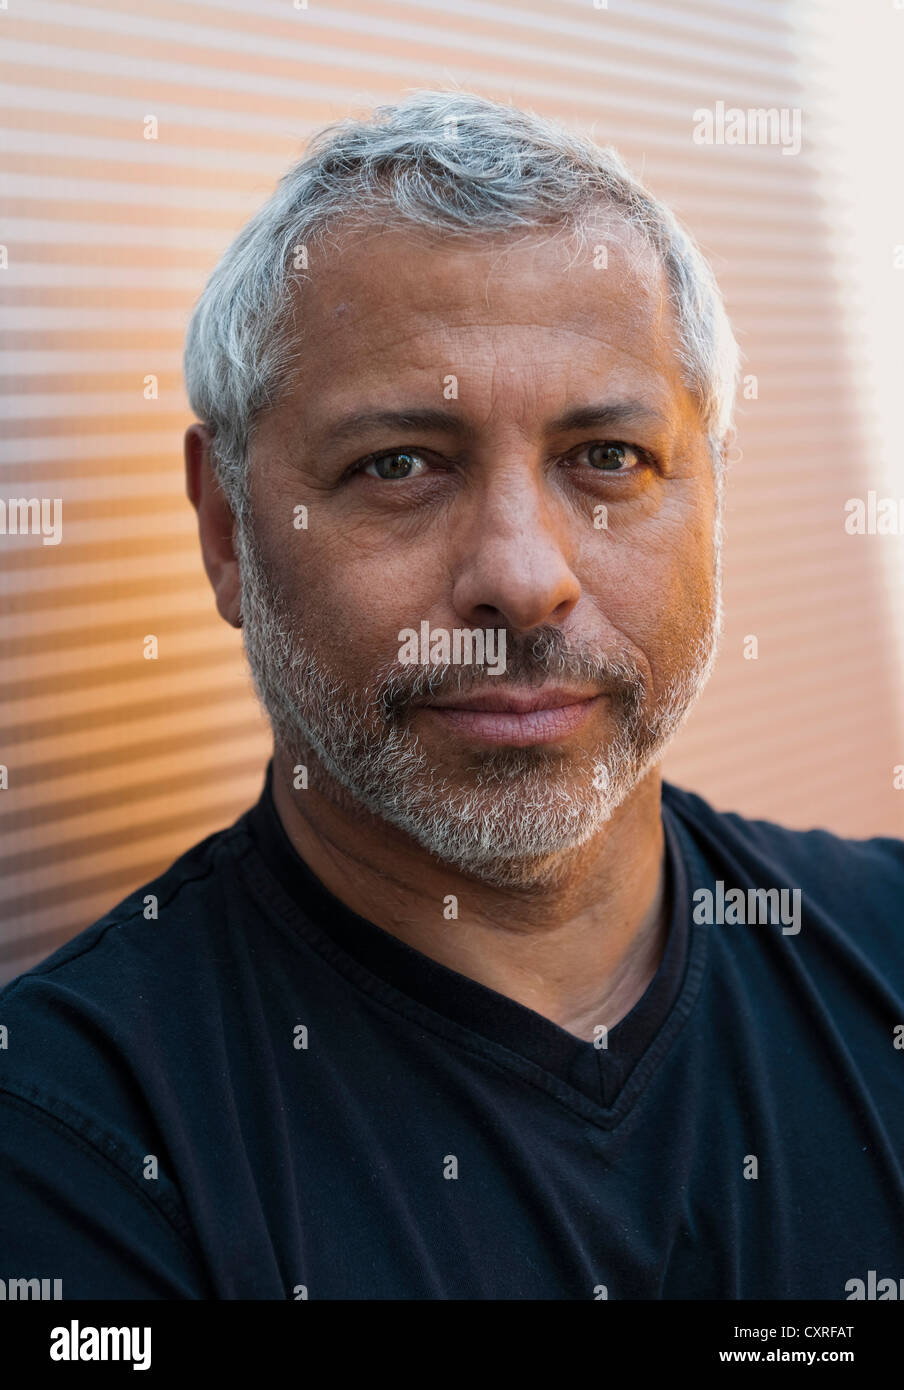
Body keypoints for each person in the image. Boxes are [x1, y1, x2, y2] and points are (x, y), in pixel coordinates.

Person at [1, 90, 902, 1300]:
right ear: (226, 526)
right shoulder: (66, 1141)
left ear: (714, 499)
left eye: (608, 459)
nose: (524, 579)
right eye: (399, 465)